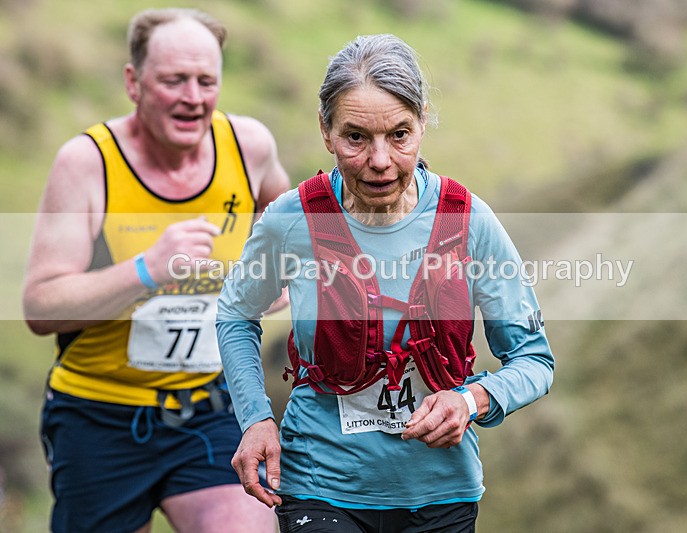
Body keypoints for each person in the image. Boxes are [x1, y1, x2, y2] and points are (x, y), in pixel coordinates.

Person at [216, 34, 555, 532]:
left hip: (442, 492)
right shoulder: (293, 219)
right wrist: (255, 420)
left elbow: (534, 360)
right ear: (325, 131)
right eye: (356, 137)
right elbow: (236, 313)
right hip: (319, 484)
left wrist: (469, 400)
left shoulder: (465, 222)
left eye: (400, 135)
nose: (380, 161)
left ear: (422, 126)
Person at [22, 8, 290, 533]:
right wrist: (146, 270)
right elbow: (39, 305)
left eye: (206, 81)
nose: (193, 96)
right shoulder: (87, 163)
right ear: (134, 83)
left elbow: (295, 239)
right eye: (174, 80)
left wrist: (275, 282)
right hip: (99, 416)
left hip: (211, 408)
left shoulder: (249, 146)